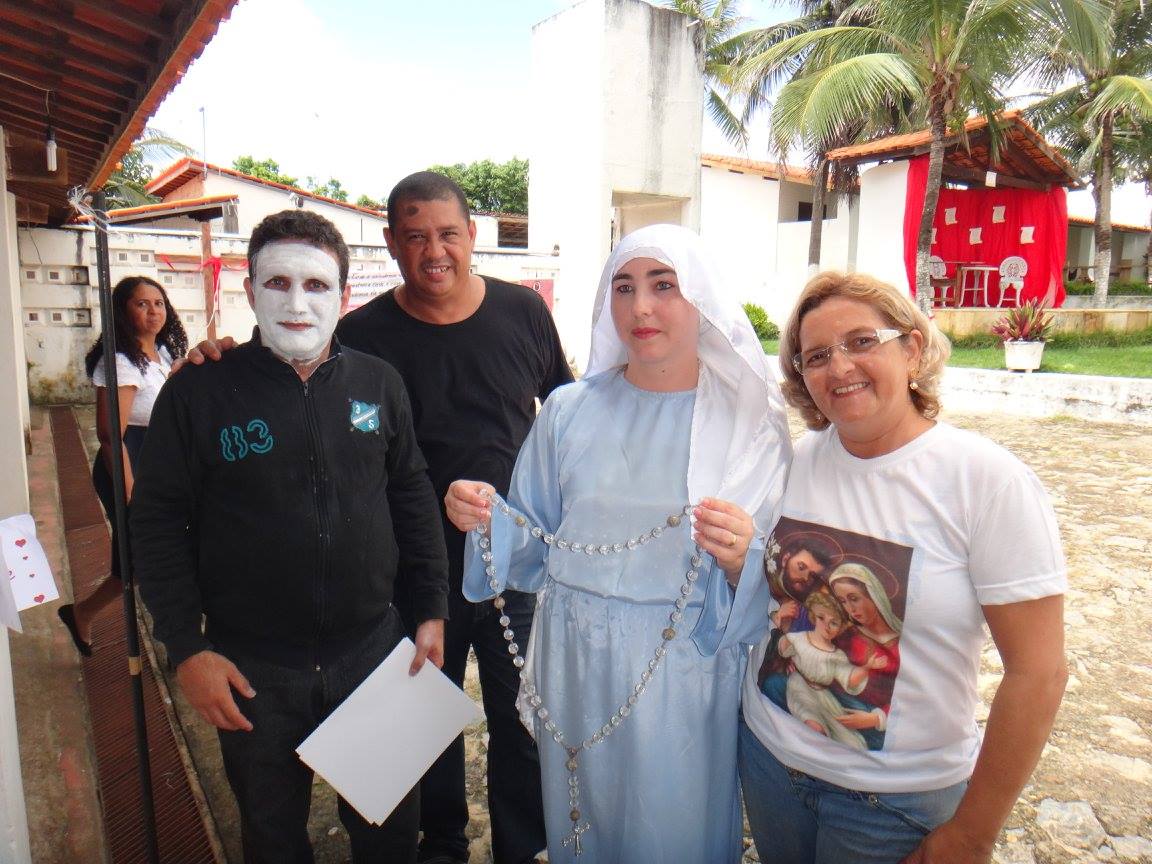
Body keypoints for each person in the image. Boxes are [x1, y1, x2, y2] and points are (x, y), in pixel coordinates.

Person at [183, 172, 570, 864]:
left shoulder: (523, 312)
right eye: (415, 237)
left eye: (448, 234)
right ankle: (442, 844)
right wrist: (220, 355)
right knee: (423, 720)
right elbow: (289, 358)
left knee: (521, 715)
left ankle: (522, 848)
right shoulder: (362, 334)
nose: (434, 252)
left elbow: (566, 414)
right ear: (391, 243)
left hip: (514, 561)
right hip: (408, 571)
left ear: (472, 235)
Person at [444, 224, 791, 863]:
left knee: (672, 831)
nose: (641, 308)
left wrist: (743, 556)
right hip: (576, 657)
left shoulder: (749, 422)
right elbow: (535, 543)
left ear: (701, 296)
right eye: (624, 288)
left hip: (683, 665)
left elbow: (778, 573)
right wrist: (486, 517)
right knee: (585, 824)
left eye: (664, 285)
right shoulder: (569, 410)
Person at [131, 210, 449, 864]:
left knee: (390, 837)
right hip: (252, 671)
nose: (297, 304)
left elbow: (412, 494)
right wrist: (187, 648)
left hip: (372, 653)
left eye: (317, 285)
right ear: (249, 291)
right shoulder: (198, 392)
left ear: (344, 296)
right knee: (272, 840)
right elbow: (157, 522)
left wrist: (431, 607)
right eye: (277, 283)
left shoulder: (378, 384)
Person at [739, 272, 1068, 864]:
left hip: (893, 804)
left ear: (912, 348)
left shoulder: (987, 482)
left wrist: (973, 833)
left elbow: (1038, 673)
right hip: (770, 764)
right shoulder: (796, 461)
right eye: (817, 355)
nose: (840, 367)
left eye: (862, 341)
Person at [57, 275, 187, 656]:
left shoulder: (162, 354)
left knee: (143, 559)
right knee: (138, 561)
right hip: (128, 465)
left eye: (159, 303)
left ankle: (84, 613)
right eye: (142, 304)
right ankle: (87, 614)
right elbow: (111, 434)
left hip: (157, 465)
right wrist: (130, 494)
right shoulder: (120, 362)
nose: (153, 311)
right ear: (123, 311)